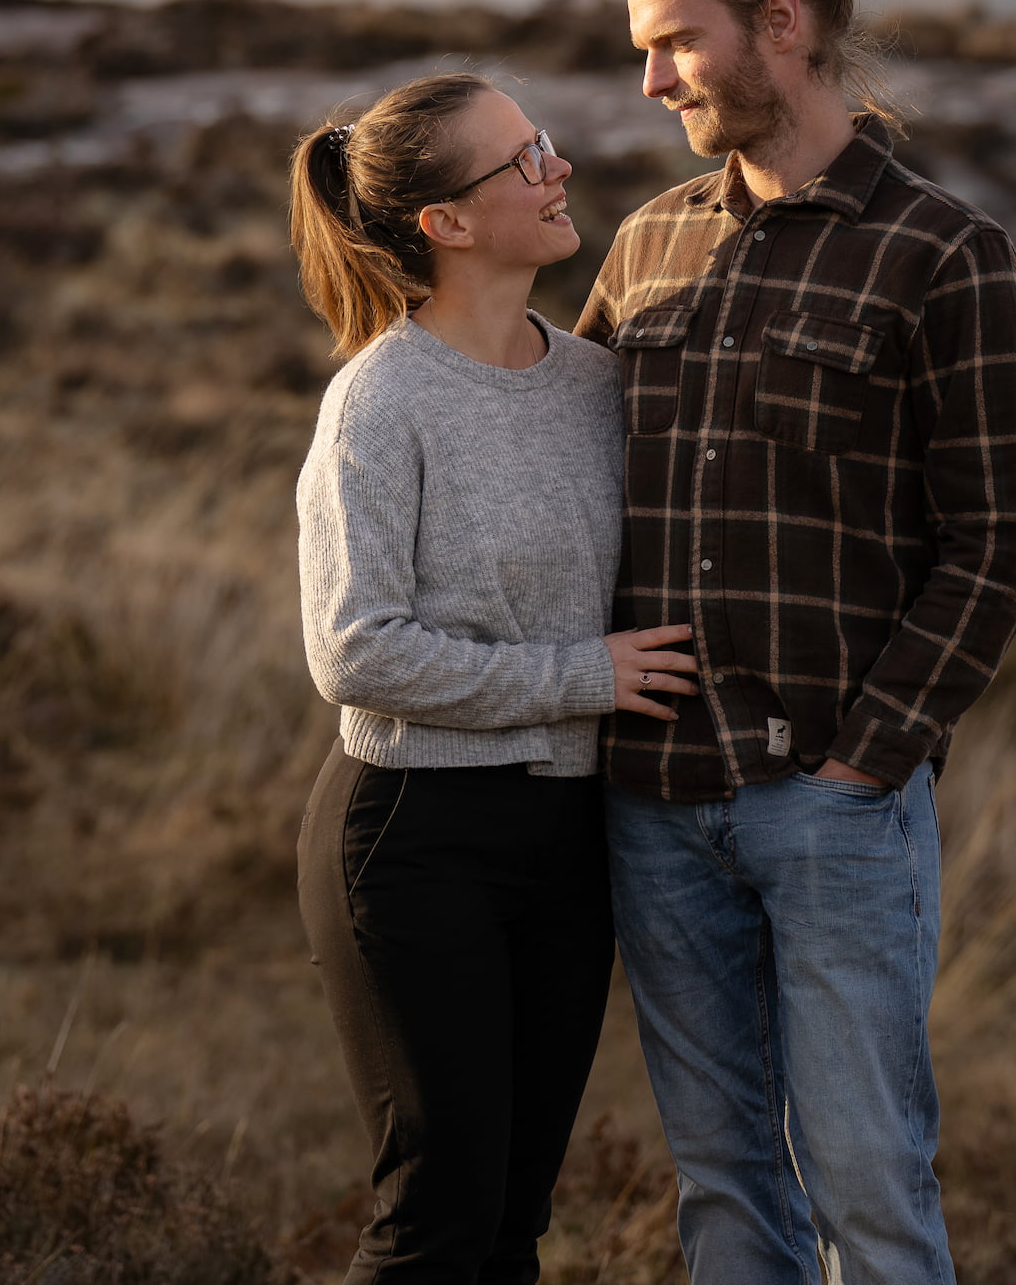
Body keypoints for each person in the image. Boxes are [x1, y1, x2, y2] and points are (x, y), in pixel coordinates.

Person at [576, 0, 1016, 1284]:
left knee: (868, 1190)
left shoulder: (943, 254)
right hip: (656, 809)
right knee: (724, 1188)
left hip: (833, 808)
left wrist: (869, 762)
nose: (650, 81)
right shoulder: (646, 247)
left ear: (782, 22)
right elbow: (561, 480)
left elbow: (993, 544)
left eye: (673, 42)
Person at [289, 71, 698, 1285]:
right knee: (436, 1222)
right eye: (522, 160)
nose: (559, 169)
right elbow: (353, 649)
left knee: (515, 1219)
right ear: (447, 224)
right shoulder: (381, 399)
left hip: (568, 836)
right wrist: (584, 675)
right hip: (419, 831)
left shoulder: (593, 382)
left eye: (547, 144)